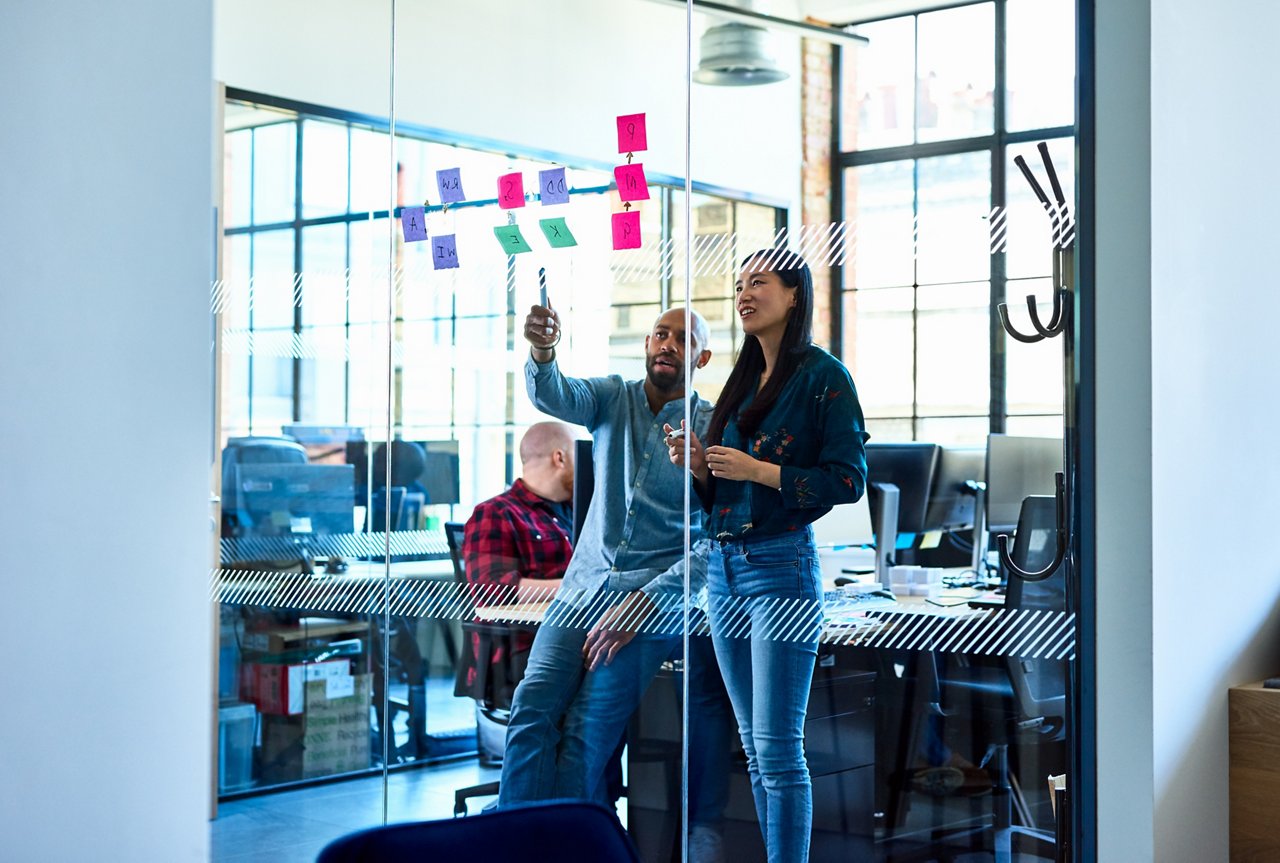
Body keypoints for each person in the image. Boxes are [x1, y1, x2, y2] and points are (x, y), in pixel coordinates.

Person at [500, 303, 733, 852]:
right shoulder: (612, 398)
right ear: (647, 346)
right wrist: (542, 351)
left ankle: (559, 849)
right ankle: (507, 845)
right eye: (659, 334)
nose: (667, 344)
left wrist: (649, 601)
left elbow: (715, 540)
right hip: (581, 590)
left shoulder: (716, 428)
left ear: (701, 356)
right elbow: (553, 394)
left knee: (585, 735)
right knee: (531, 707)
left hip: (649, 605)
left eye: (682, 338)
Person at [668, 249, 869, 863]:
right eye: (738, 286)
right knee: (755, 748)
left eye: (758, 282)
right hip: (725, 571)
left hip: (781, 566)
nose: (744, 294)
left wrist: (760, 469)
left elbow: (847, 480)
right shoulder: (741, 379)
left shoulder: (824, 377)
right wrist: (699, 468)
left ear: (793, 296)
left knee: (779, 747)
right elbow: (722, 497)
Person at [460, 421, 577, 697]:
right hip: (522, 648)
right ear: (560, 457)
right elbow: (491, 592)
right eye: (578, 455)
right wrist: (577, 587)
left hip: (571, 636)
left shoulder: (579, 511)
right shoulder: (496, 513)